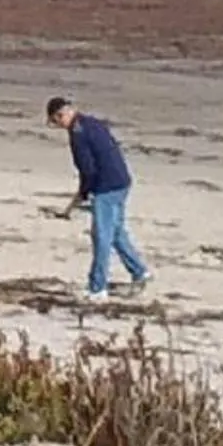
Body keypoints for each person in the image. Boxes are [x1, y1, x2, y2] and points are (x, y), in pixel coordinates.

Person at [47, 95, 150, 297]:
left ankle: (97, 288)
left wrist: (84, 194)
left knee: (102, 237)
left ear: (61, 115)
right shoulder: (92, 122)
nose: (57, 125)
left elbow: (88, 169)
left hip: (107, 186)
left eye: (54, 121)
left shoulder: (78, 133)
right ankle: (139, 271)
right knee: (117, 232)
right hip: (122, 181)